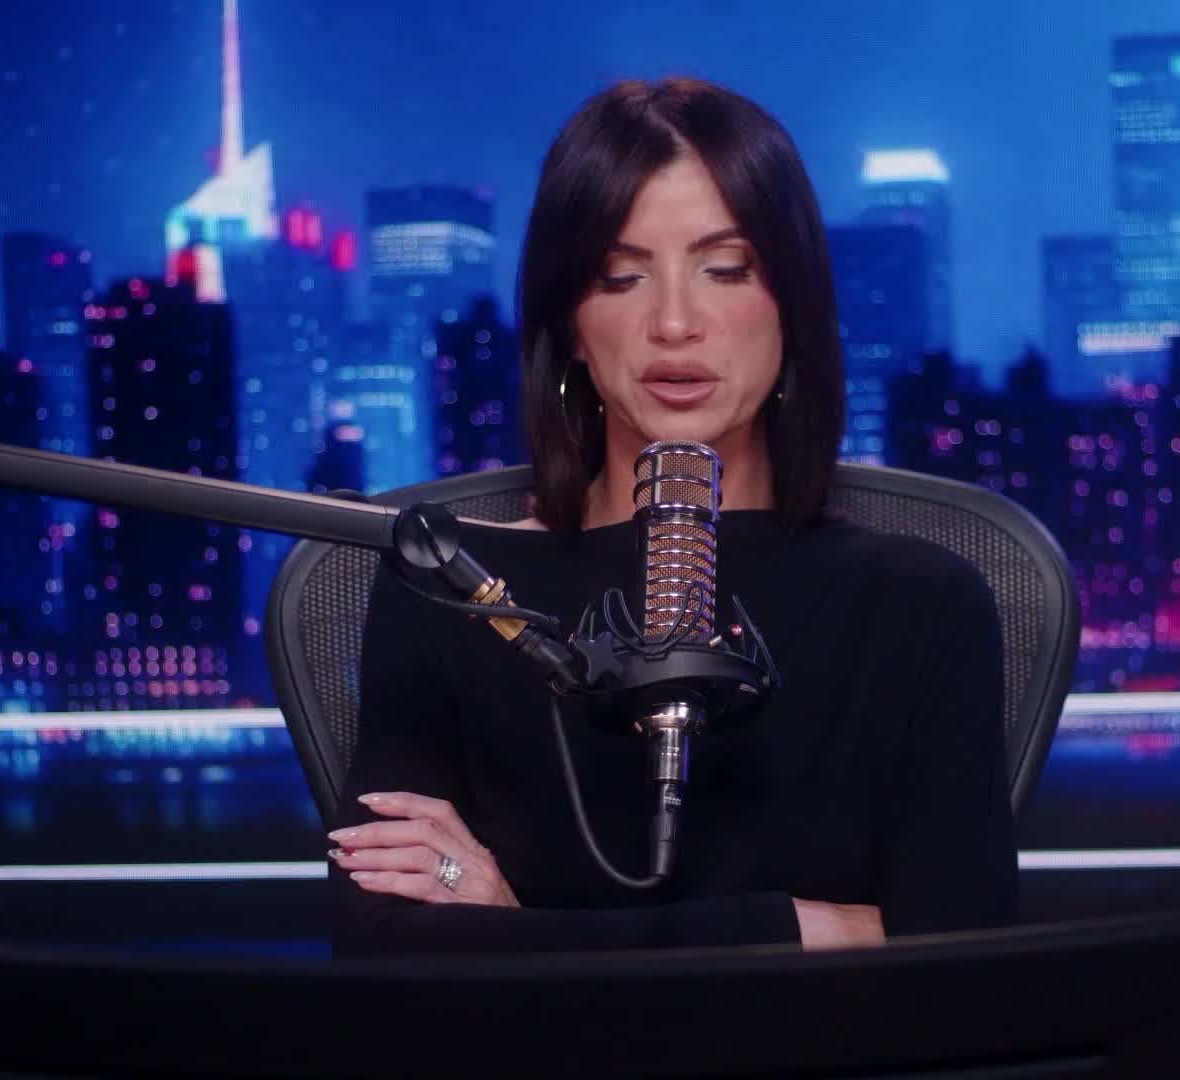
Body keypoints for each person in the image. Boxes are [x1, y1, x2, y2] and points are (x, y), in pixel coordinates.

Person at [324, 76, 1016, 954]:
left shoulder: (924, 603)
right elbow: (386, 945)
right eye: (621, 277)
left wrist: (511, 930)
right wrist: (807, 929)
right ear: (571, 320)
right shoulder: (451, 584)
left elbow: (963, 972)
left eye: (726, 270)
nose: (676, 322)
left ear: (793, 306)